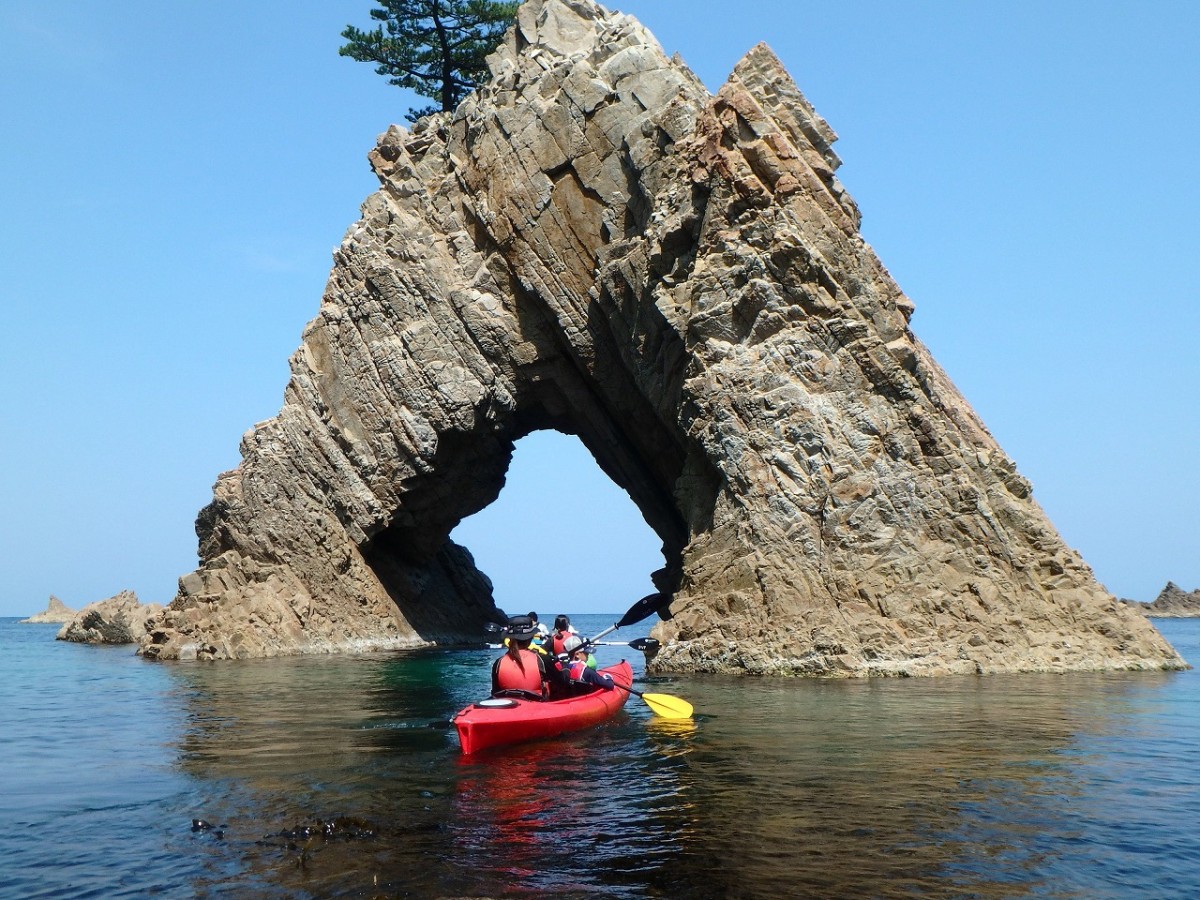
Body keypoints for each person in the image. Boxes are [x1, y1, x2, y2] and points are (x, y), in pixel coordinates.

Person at [491, 615, 552, 699]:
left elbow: (495, 693)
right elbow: (560, 682)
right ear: (530, 638)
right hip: (536, 707)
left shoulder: (498, 663)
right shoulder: (542, 660)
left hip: (508, 707)